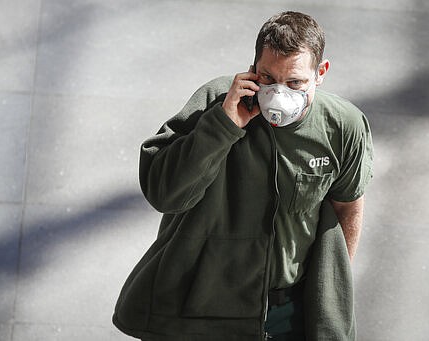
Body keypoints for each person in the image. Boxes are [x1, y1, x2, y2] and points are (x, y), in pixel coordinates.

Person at [113, 11, 373, 341]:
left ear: (320, 73)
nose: (281, 93)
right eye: (268, 78)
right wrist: (223, 126)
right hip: (199, 315)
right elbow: (165, 194)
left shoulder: (343, 126)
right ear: (252, 70)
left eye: (295, 83)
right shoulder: (217, 102)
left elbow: (347, 208)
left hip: (289, 313)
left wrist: (333, 286)